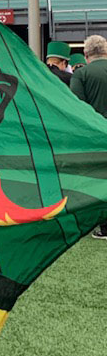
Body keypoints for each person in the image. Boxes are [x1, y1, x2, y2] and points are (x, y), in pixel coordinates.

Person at [69, 35, 107, 239]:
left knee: (96, 179)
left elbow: (78, 107)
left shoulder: (81, 74)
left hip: (96, 135)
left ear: (85, 54)